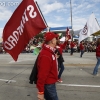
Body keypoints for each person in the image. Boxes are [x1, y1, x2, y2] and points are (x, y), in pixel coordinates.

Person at [36, 32, 59, 100]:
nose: (56, 40)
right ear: (52, 41)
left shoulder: (49, 52)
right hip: (48, 85)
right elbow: (42, 74)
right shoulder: (46, 54)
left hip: (50, 83)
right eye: (55, 38)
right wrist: (40, 92)